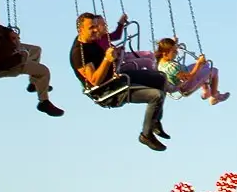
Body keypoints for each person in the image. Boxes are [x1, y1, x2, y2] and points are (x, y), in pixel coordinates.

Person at [70, 12, 167, 149]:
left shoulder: (91, 41)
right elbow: (94, 81)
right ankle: (146, 135)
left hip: (117, 78)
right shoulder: (78, 54)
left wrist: (115, 55)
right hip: (108, 91)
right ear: (81, 30)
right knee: (157, 96)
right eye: (92, 28)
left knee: (161, 78)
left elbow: (113, 40)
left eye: (97, 26)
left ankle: (154, 120)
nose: (96, 30)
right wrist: (107, 59)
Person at [0, 0, 62, 116]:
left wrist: (9, 33)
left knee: (36, 50)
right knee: (44, 71)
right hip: (3, 66)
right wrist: (19, 54)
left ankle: (34, 83)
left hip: (6, 50)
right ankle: (44, 102)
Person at [155, 37, 228, 104]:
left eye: (176, 50)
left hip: (184, 72)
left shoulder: (161, 60)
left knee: (205, 65)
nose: (177, 53)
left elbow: (169, 52)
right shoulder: (171, 67)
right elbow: (188, 78)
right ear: (165, 53)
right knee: (214, 71)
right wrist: (198, 64)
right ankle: (214, 95)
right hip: (186, 85)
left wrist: (174, 43)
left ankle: (206, 91)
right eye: (174, 51)